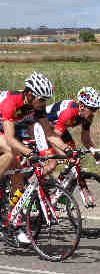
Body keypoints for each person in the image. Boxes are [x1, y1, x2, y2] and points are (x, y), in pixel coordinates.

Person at [0, 71, 56, 244]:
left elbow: (50, 134)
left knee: (17, 170)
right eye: (42, 100)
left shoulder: (36, 106)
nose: (44, 104)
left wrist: (66, 152)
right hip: (4, 130)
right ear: (30, 94)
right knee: (11, 153)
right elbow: (9, 139)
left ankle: (15, 221)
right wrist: (29, 153)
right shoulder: (10, 102)